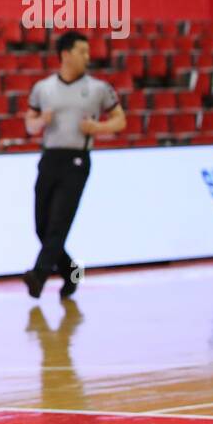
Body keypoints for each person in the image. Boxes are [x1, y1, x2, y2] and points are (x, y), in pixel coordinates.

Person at [23, 31, 126, 299]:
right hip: (49, 158)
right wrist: (39, 123)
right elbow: (29, 122)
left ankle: (38, 275)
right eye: (82, 51)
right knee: (41, 227)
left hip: (77, 161)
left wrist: (98, 127)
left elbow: (120, 120)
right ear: (65, 55)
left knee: (58, 223)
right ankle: (72, 272)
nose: (87, 57)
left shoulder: (98, 89)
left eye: (88, 52)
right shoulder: (43, 88)